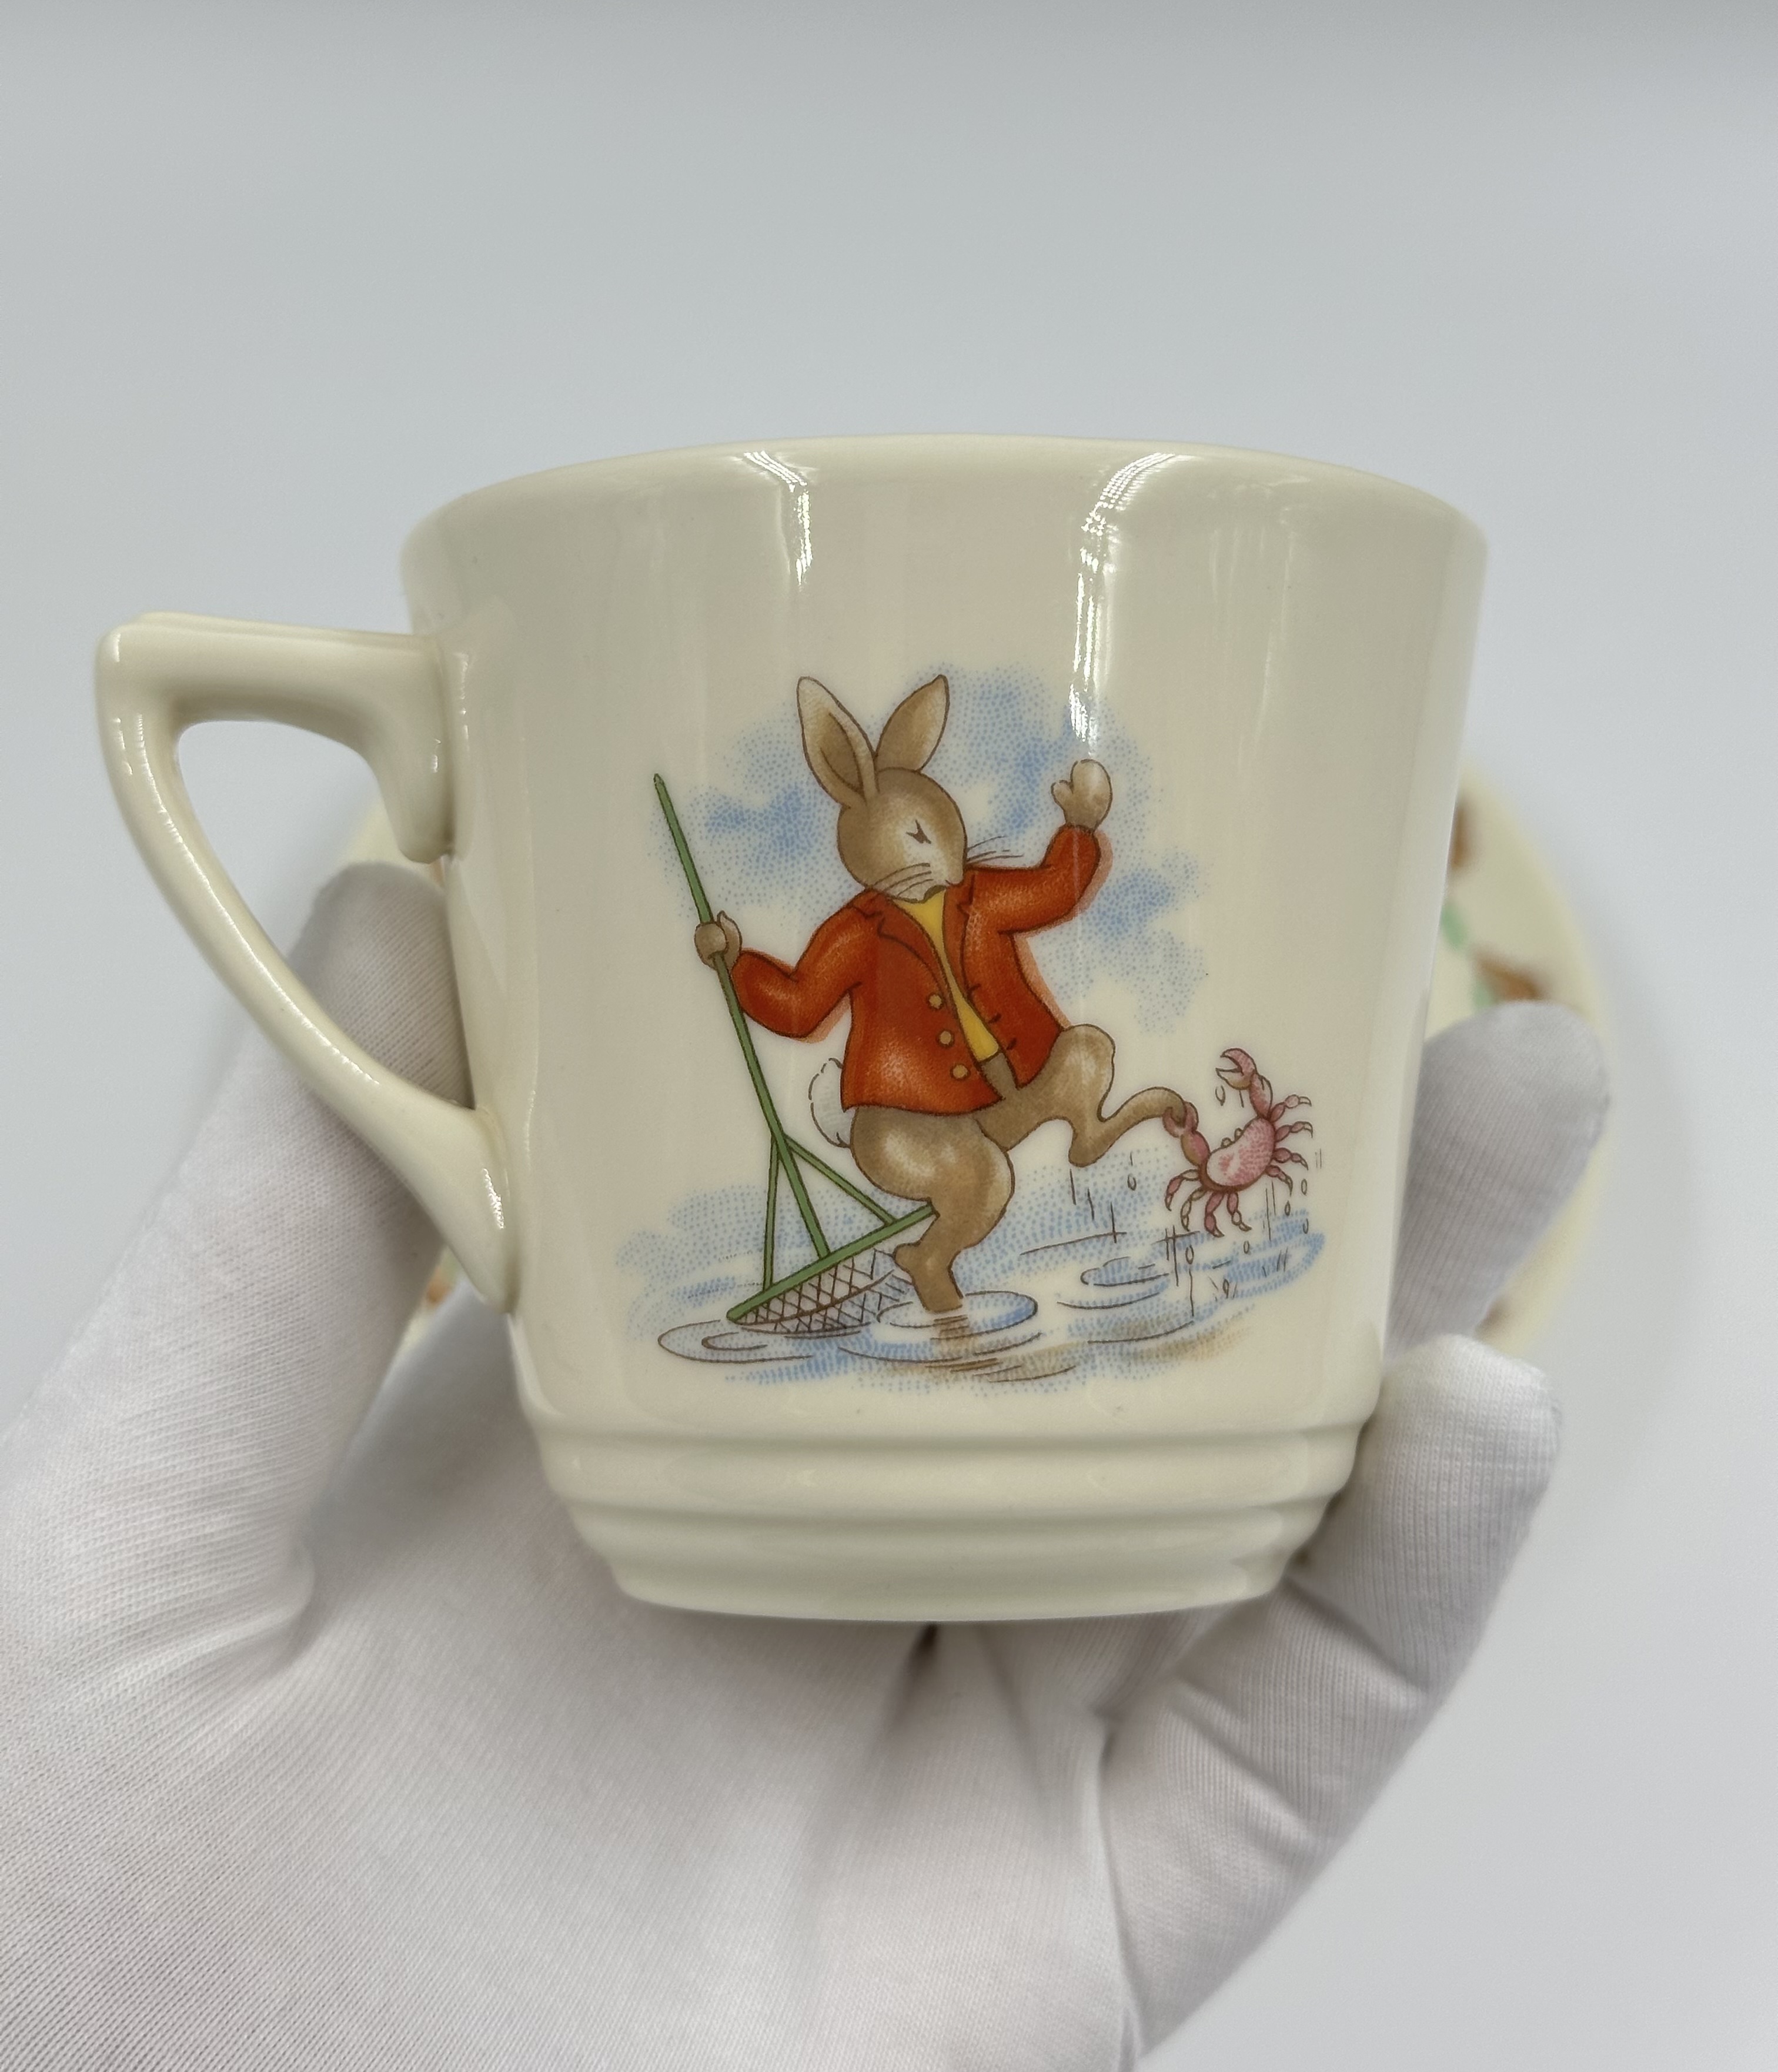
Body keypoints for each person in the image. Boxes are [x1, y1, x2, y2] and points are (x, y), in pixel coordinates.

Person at [0, 864, 1607, 2069]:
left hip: (992, 1106)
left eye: (930, 834)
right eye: (897, 833)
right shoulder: (852, 932)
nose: (921, 855)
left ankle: (1061, 1186)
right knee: (966, 1195)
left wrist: (1075, 825)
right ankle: (935, 1273)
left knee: (1078, 1080)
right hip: (903, 1125)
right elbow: (788, 1005)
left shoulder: (980, 897)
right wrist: (733, 959)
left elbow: (1056, 890)